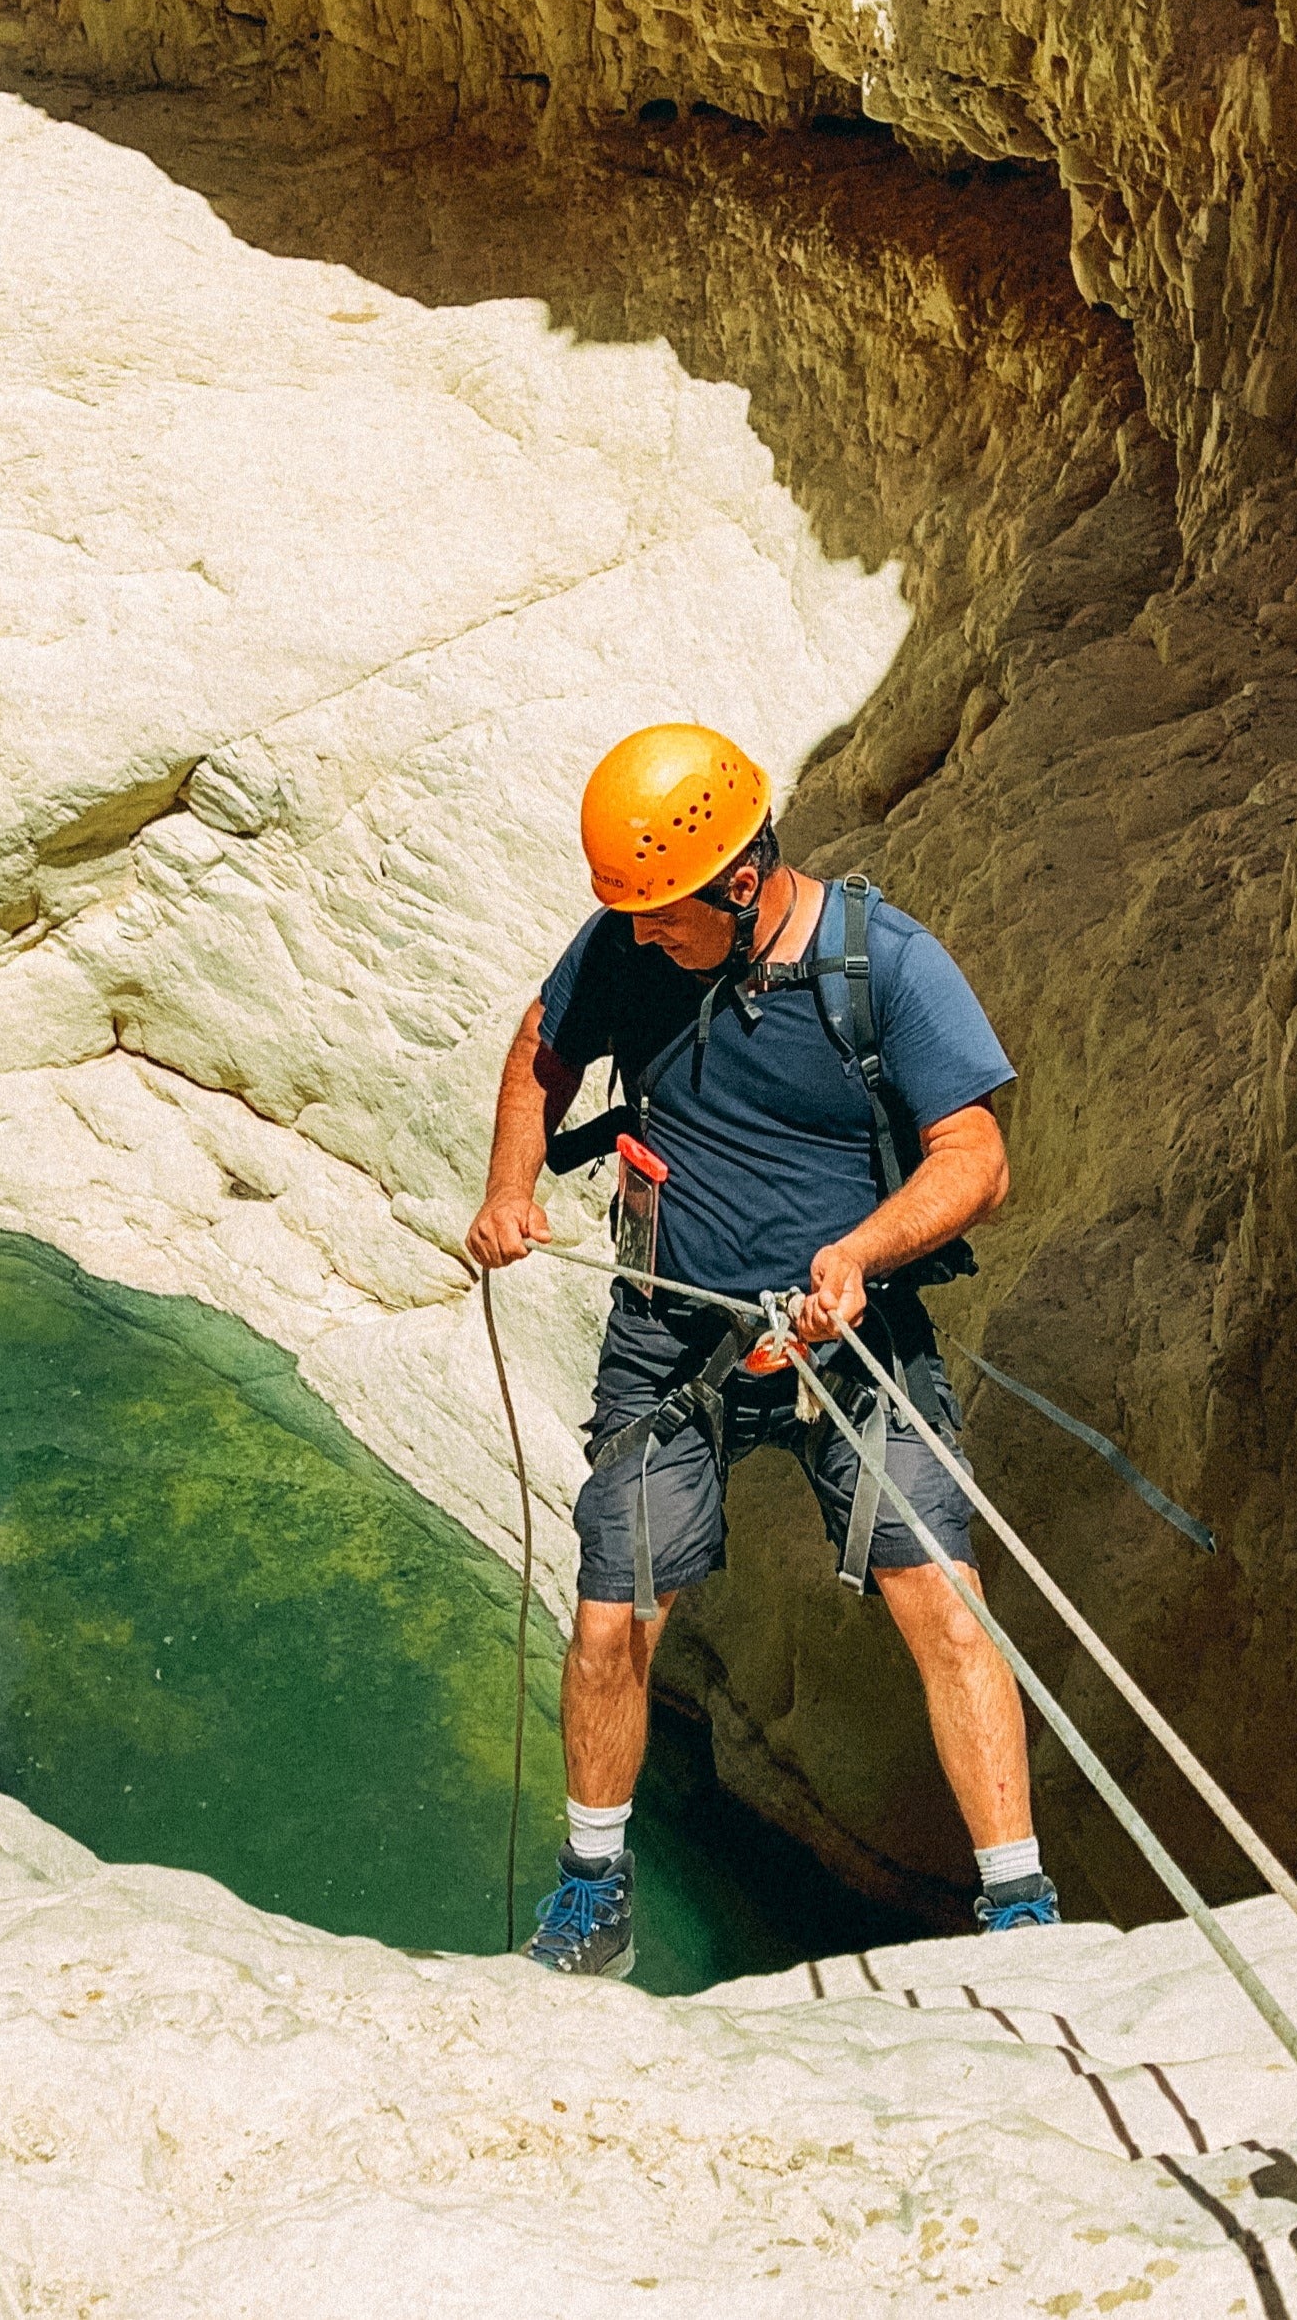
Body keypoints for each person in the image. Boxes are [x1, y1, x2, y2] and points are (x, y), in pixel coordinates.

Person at [467, 723, 1057, 1980]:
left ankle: (1017, 1905)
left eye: (663, 916)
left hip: (856, 1335)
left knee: (944, 1604)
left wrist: (859, 1254)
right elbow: (542, 1049)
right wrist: (512, 1184)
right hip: (675, 1336)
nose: (639, 939)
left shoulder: (883, 965)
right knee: (610, 1618)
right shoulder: (634, 942)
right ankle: (591, 1889)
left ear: (741, 885)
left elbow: (977, 1158)